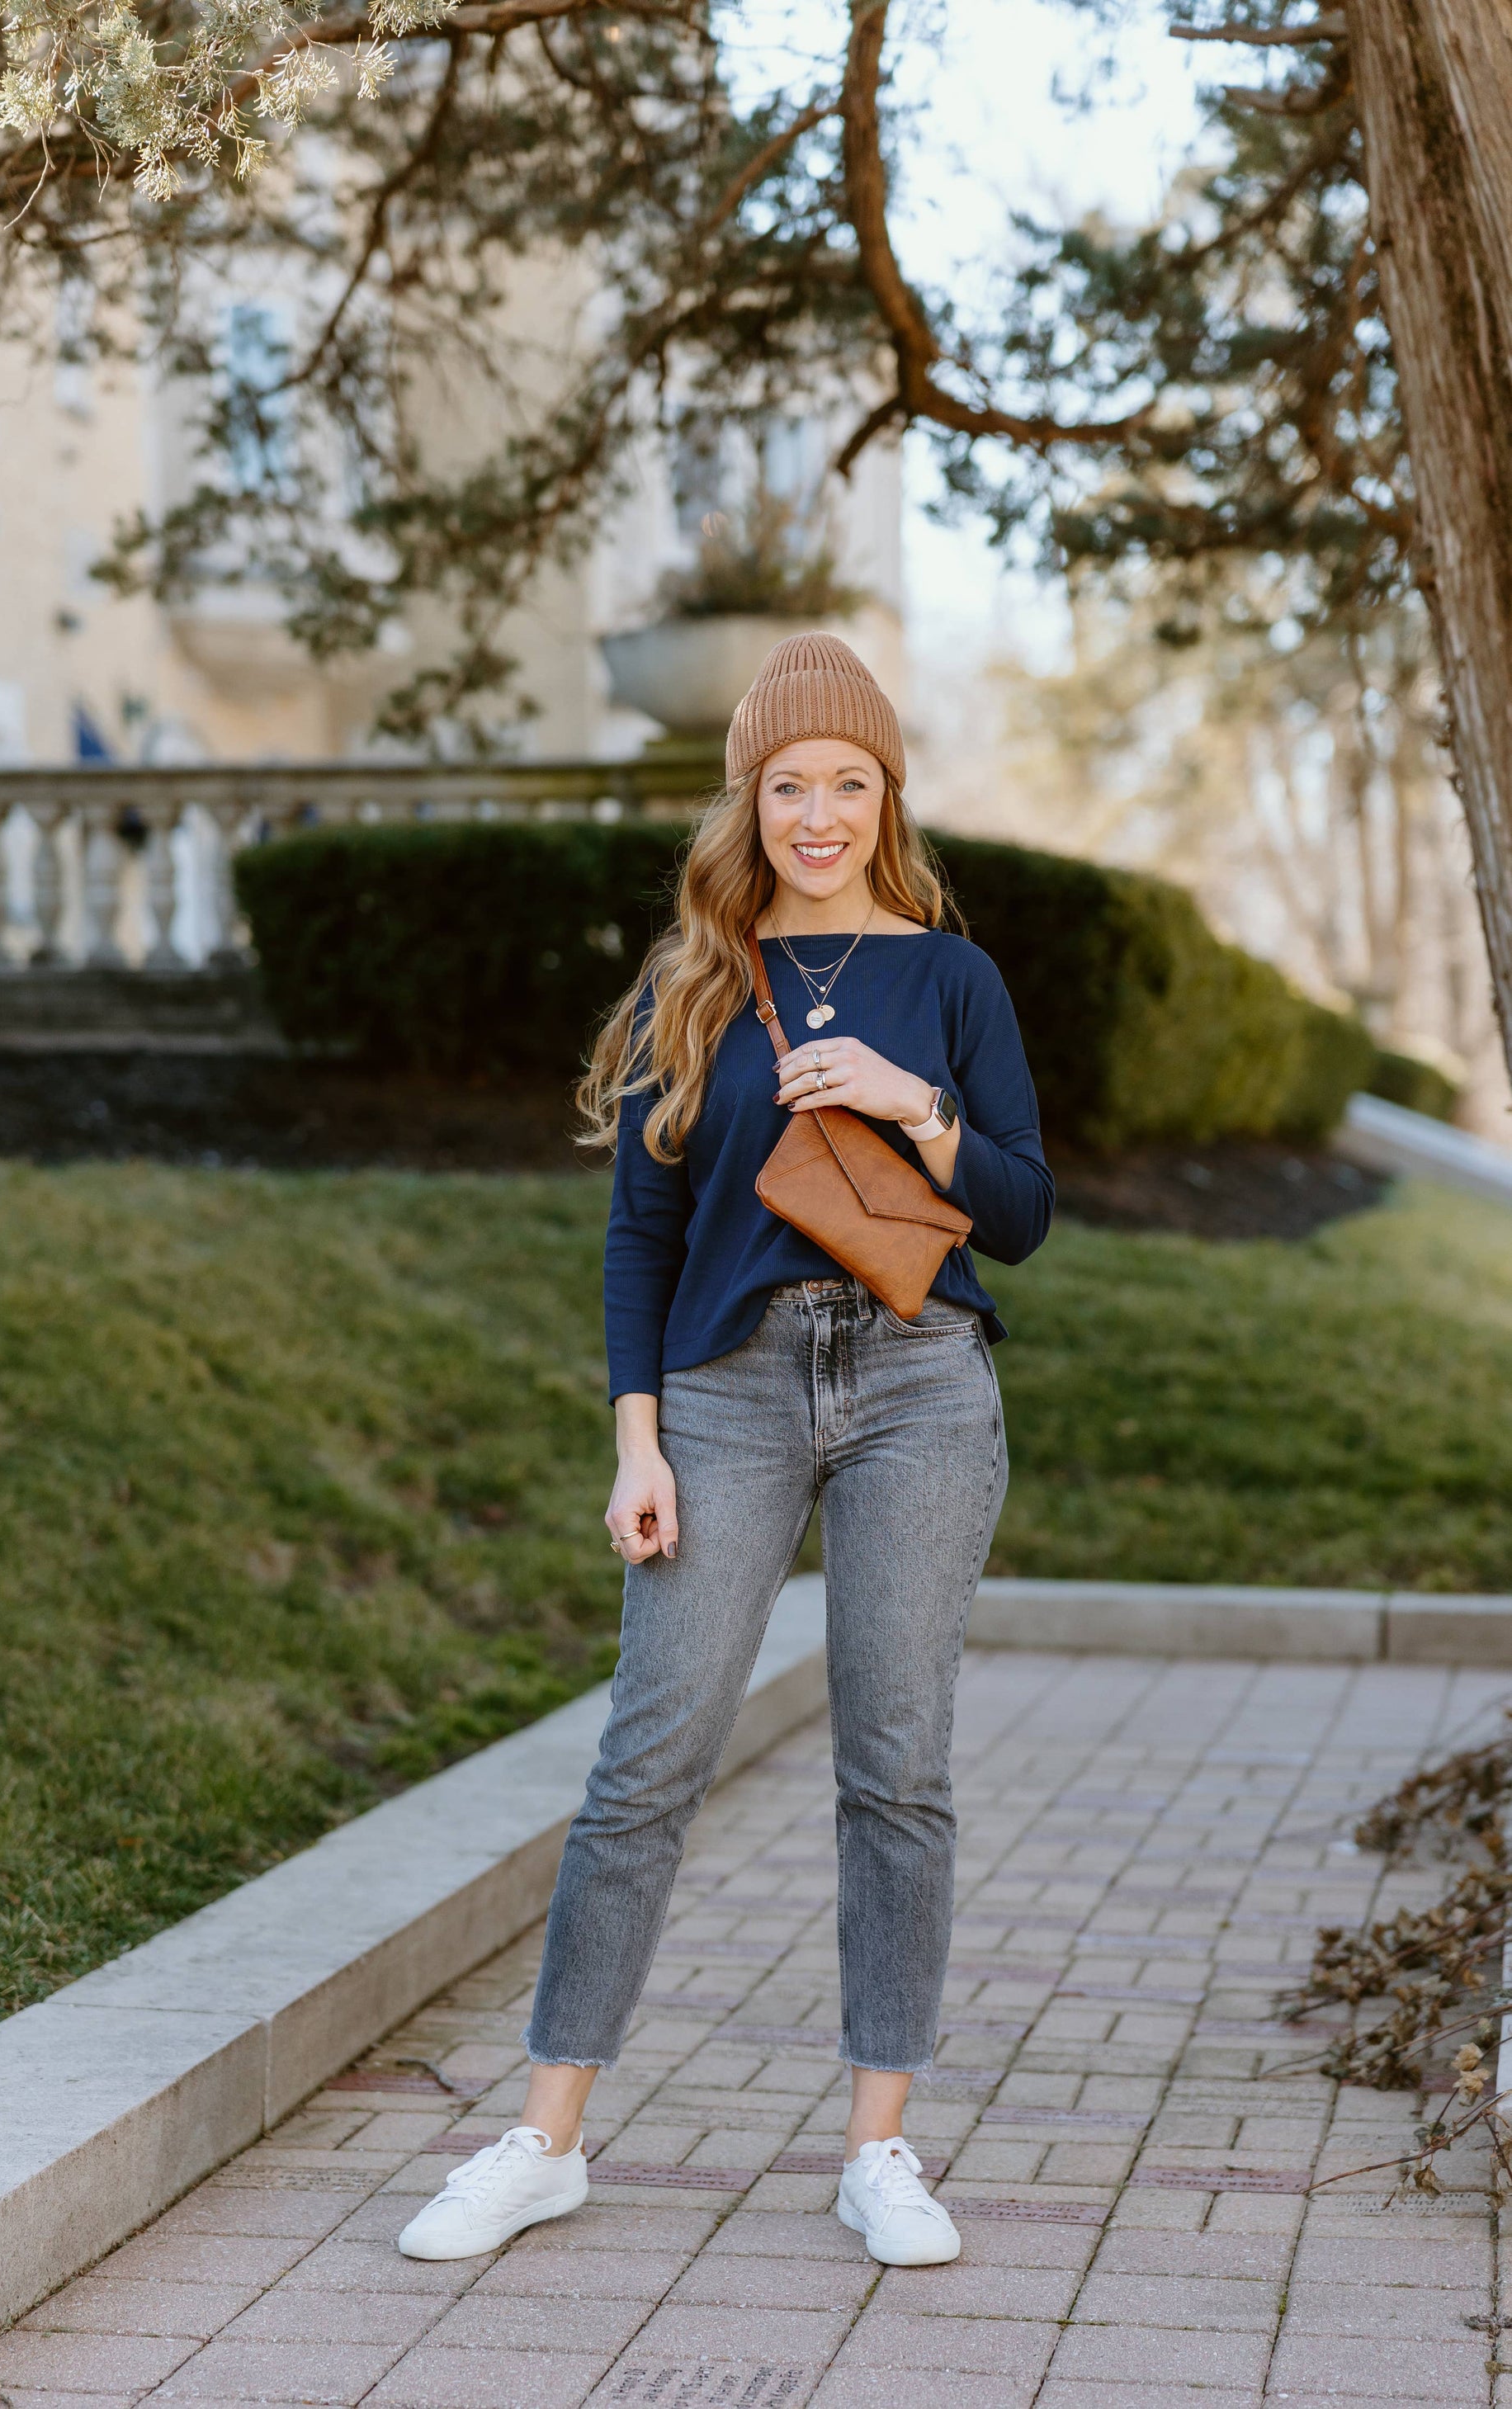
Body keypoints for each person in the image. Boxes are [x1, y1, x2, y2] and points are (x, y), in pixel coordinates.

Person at [398, 632, 1053, 2270]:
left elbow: (1026, 1215)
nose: (816, 813)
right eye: (787, 785)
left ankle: (879, 2146)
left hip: (917, 1377)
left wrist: (916, 1104)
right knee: (646, 1761)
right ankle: (544, 2139)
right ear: (745, 800)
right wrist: (637, 1440)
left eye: (846, 782)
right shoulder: (694, 977)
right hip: (728, 1392)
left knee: (893, 1769)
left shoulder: (952, 981)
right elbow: (638, 1236)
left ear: (883, 793)